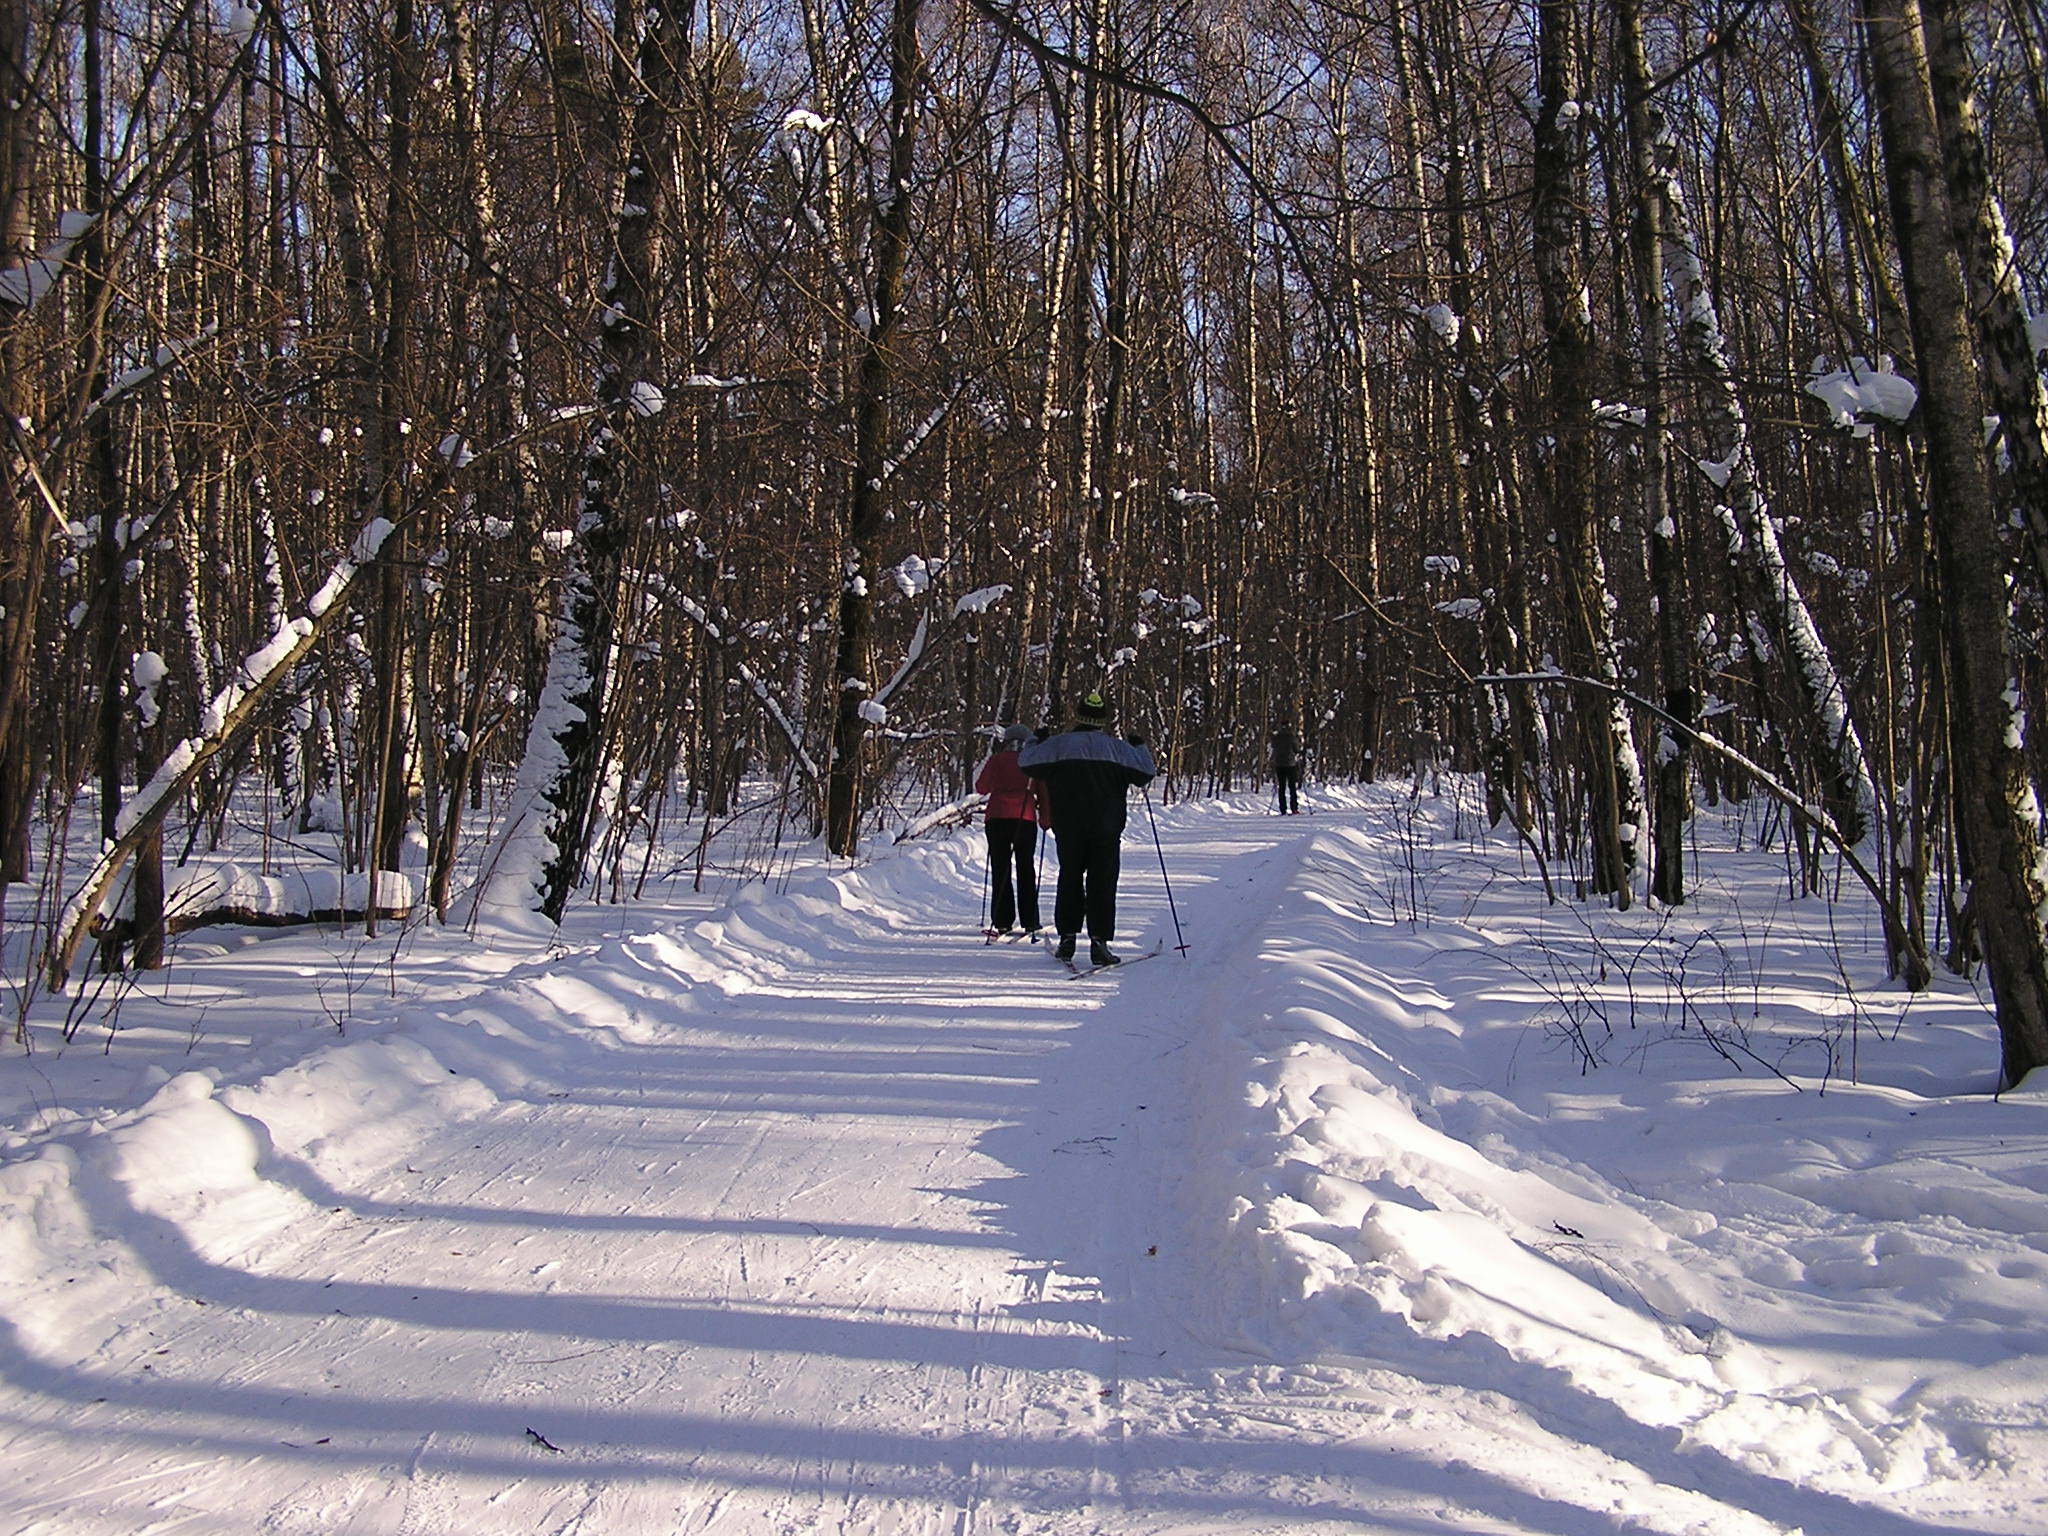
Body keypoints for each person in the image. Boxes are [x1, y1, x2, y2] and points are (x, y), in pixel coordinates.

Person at [1019, 690, 1156, 966]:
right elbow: (1146, 773)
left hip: (1069, 825)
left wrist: (1037, 738)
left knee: (1069, 877)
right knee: (1102, 882)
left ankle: (1067, 938)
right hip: (1106, 826)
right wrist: (1139, 746)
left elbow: (1027, 762)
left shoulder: (1059, 745)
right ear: (1102, 721)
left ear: (1078, 717)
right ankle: (1099, 942)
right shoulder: (1117, 748)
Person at [974, 723, 1049, 937]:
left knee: (1000, 867)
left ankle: (1002, 920)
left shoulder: (996, 760)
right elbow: (1043, 791)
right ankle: (1030, 920)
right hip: (1024, 817)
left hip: (996, 817)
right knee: (1025, 868)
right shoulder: (1031, 762)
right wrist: (1045, 818)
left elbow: (981, 787)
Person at [1268, 721, 1303, 815]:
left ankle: (1283, 809)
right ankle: (1294, 808)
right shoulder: (1292, 737)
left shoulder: (1276, 738)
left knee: (1281, 787)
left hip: (1279, 764)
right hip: (1290, 764)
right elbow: (1297, 750)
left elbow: (1273, 747)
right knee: (1292, 787)